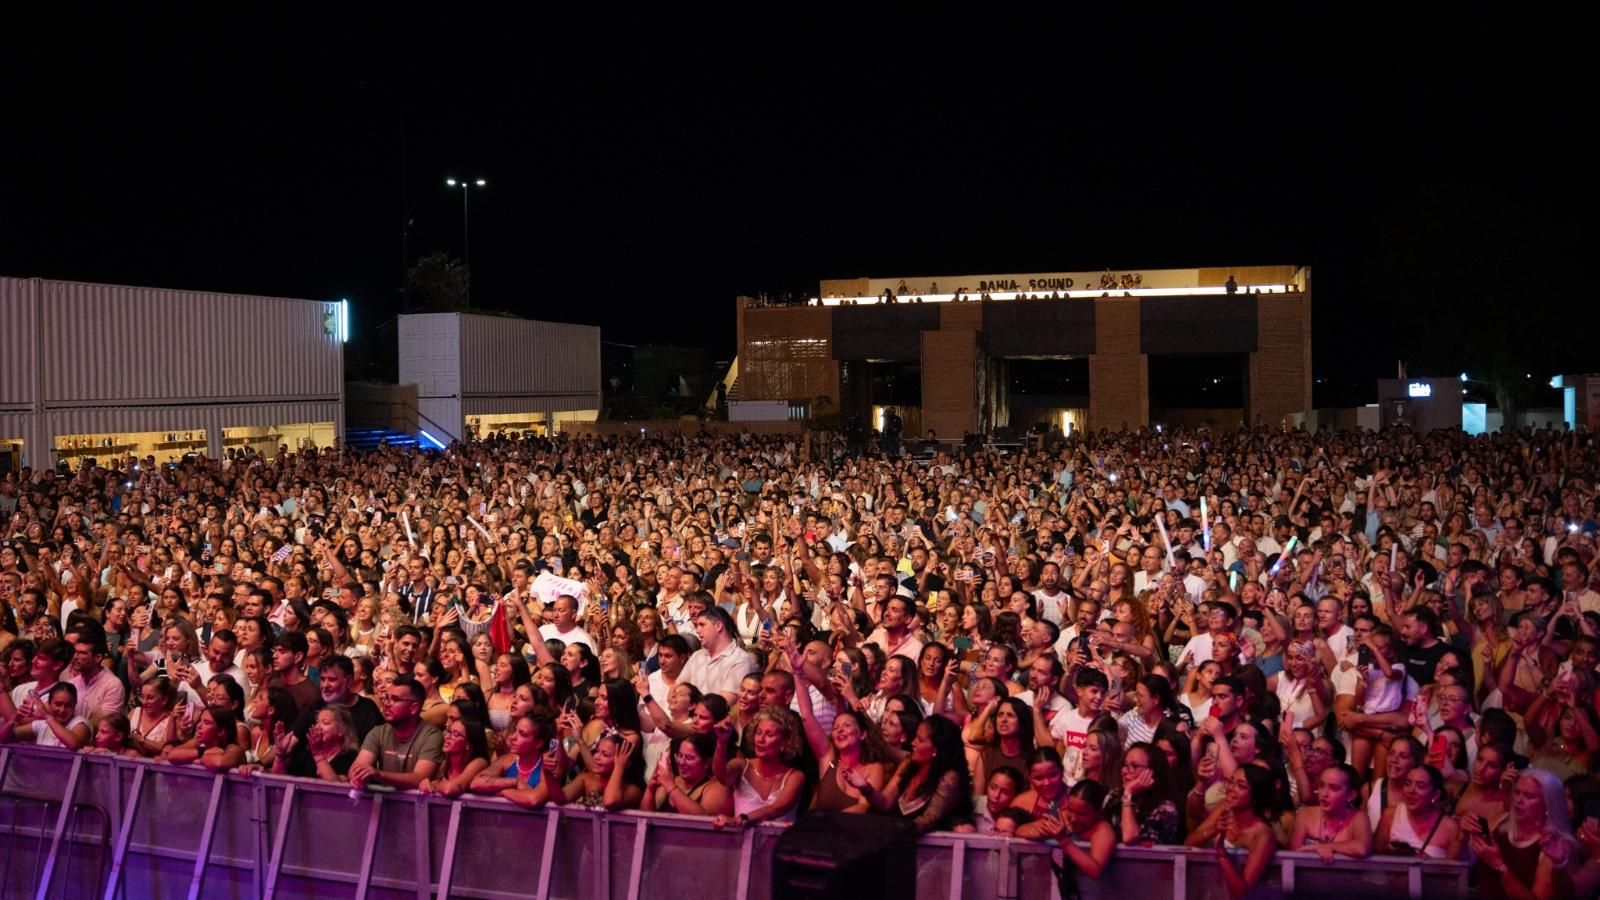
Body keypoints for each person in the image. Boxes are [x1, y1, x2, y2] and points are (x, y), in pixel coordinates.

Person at [847, 714, 972, 834]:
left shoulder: (949, 777)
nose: (913, 743)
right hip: (894, 838)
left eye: (920, 740)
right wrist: (865, 787)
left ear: (936, 749)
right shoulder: (909, 763)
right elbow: (885, 803)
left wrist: (890, 831)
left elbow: (928, 820)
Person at [1467, 767, 1578, 898]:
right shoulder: (1500, 822)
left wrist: (1498, 865)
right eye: (1517, 793)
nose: (1519, 801)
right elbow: (1462, 865)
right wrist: (1462, 836)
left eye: (1529, 796)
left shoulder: (1554, 844)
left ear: (1548, 803)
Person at [1185, 766, 1278, 900]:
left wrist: (1222, 854)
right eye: (1231, 781)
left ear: (1256, 795)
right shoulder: (1224, 808)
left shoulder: (1263, 835)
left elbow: (1242, 893)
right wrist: (1213, 830)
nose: (1231, 788)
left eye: (1241, 786)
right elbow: (1188, 843)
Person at [348, 675, 444, 791]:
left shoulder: (432, 736)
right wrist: (358, 776)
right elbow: (355, 770)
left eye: (395, 699)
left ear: (414, 708)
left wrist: (379, 775)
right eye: (387, 698)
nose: (387, 704)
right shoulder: (378, 732)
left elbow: (420, 779)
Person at [471, 713, 563, 808]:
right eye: (515, 731)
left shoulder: (547, 766)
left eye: (522, 734)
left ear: (539, 743)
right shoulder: (506, 760)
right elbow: (476, 783)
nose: (513, 737)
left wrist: (502, 792)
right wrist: (515, 782)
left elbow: (534, 799)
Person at [1375, 763, 1462, 859]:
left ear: (1435, 794)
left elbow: (1456, 870)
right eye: (1407, 784)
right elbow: (1375, 858)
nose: (1411, 790)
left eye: (1420, 786)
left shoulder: (1450, 828)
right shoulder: (1390, 815)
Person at [1290, 763, 1372, 860]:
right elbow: (1294, 852)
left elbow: (1361, 848)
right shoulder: (1305, 814)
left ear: (1351, 796)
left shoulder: (1358, 817)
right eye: (1321, 786)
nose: (1324, 794)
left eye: (1334, 788)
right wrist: (1319, 848)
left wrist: (1325, 847)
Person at [643, 732, 733, 817]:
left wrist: (671, 787)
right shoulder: (672, 781)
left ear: (706, 763)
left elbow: (703, 822)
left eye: (689, 758)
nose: (681, 762)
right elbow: (644, 817)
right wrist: (650, 788)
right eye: (680, 755)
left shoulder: (718, 788)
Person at [681, 607, 758, 704]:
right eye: (697, 625)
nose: (697, 630)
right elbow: (678, 687)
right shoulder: (697, 655)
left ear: (718, 626)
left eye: (702, 625)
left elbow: (723, 703)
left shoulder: (740, 660)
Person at [418, 715, 491, 796]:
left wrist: (435, 785)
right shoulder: (444, 763)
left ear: (468, 744)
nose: (447, 736)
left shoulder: (480, 762)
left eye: (455, 734)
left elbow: (449, 789)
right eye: (449, 731)